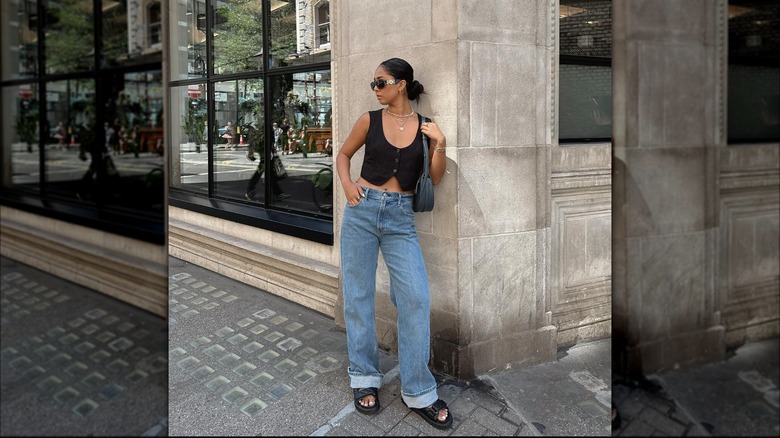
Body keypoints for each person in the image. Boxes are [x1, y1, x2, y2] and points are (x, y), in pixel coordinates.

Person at [336, 57, 451, 429]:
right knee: (358, 295)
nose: (375, 89)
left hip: (401, 218)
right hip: (362, 212)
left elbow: (435, 176)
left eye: (381, 82)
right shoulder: (368, 120)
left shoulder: (424, 127)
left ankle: (418, 389)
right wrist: (348, 185)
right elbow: (343, 155)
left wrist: (441, 145)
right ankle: (364, 377)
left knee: (416, 297)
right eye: (373, 84)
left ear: (402, 84)